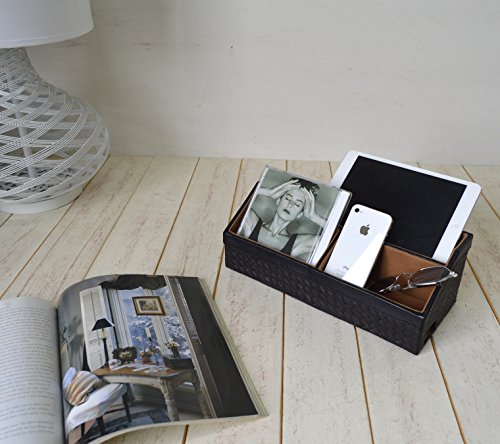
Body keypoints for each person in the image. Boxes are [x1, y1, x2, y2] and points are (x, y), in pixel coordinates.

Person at [239, 178, 327, 261]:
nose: (290, 205)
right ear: (278, 200)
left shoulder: (296, 244)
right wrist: (269, 192)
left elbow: (333, 240)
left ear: (300, 214)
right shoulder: (253, 224)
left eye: (297, 204)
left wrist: (313, 216)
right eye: (288, 198)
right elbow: (235, 192)